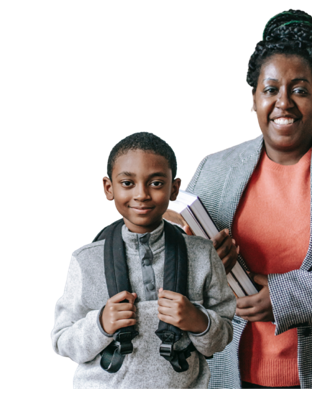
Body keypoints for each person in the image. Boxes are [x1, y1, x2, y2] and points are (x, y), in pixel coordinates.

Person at [164, 9, 312, 389]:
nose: (283, 102)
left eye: (299, 89)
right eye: (270, 90)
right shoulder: (215, 168)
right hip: (226, 373)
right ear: (253, 99)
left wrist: (289, 297)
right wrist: (197, 258)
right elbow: (174, 264)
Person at [51, 131, 236, 389]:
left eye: (156, 183)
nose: (142, 195)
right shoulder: (85, 260)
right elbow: (62, 341)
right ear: (108, 187)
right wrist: (100, 323)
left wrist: (198, 320)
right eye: (128, 183)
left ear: (174, 188)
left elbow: (223, 335)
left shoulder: (203, 254)